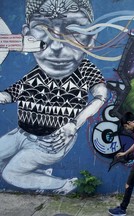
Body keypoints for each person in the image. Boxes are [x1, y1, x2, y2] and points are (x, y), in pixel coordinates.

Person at [0, 0, 107, 194]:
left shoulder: (85, 69)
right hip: (21, 133)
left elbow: (101, 97)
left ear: (91, 38)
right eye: (43, 28)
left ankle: (64, 185)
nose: (57, 45)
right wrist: (4, 96)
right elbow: (13, 92)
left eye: (73, 29)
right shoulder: (37, 70)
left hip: (50, 142)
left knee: (11, 175)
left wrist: (74, 124)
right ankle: (39, 175)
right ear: (27, 35)